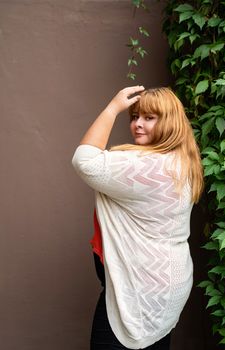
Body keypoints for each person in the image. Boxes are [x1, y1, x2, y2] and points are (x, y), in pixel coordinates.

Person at [72, 86, 204, 350]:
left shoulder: (149, 167)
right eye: (134, 117)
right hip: (168, 283)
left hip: (140, 292)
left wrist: (113, 107)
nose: (138, 124)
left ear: (169, 121)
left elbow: (84, 160)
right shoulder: (181, 161)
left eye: (149, 117)